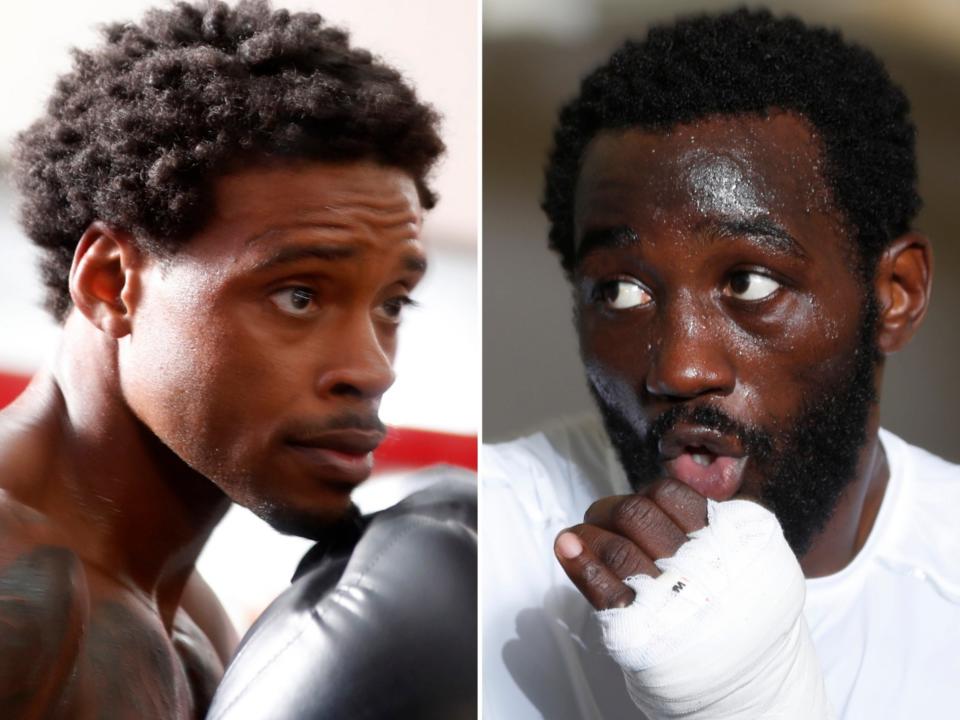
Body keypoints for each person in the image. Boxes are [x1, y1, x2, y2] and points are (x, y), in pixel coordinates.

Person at [483, 8, 958, 718]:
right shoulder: (492, 545)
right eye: (619, 290)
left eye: (750, 284)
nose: (679, 368)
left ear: (895, 296)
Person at [0, 1, 446, 716]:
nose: (371, 369)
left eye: (392, 303)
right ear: (110, 284)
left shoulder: (192, 620)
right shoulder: (17, 596)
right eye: (299, 295)